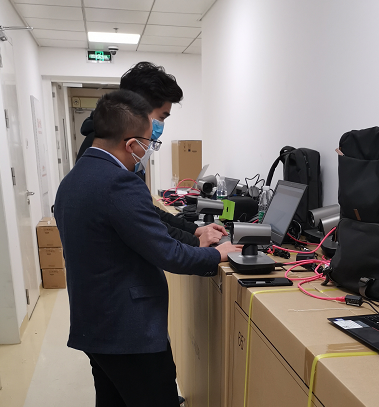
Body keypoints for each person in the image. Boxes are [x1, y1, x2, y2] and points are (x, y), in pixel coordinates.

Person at [54, 89, 242, 407]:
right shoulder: (119, 182)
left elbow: (141, 229)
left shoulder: (73, 179)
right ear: (131, 144)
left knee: (112, 399)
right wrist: (216, 254)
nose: (149, 150)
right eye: (149, 143)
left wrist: (194, 235)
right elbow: (167, 252)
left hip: (94, 323)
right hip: (128, 332)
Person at [76, 62, 222, 248]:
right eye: (161, 117)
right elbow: (142, 225)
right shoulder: (103, 150)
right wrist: (196, 242)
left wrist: (193, 230)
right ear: (137, 110)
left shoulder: (119, 147)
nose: (160, 126)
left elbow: (143, 210)